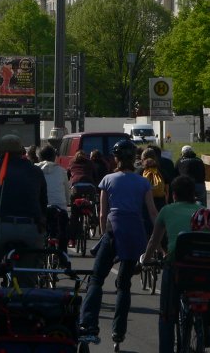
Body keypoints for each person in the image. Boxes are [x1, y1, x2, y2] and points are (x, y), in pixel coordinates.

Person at [79, 140, 158, 346]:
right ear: (134, 159)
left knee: (96, 279)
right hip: (135, 232)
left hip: (114, 229)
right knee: (124, 284)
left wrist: (104, 235)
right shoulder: (143, 182)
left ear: (116, 158)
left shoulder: (108, 179)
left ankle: (88, 324)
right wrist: (157, 239)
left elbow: (103, 213)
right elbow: (151, 212)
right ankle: (118, 332)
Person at [143, 176, 210, 352]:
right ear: (194, 194)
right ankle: (208, 325)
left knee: (166, 315)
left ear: (174, 195)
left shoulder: (166, 210)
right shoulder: (203, 210)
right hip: (205, 267)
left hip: (178, 267)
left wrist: (146, 260)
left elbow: (154, 241)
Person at [0, 134, 47, 291]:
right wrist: (42, 232)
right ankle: (24, 301)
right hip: (29, 229)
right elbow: (42, 206)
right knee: (28, 274)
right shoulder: (35, 172)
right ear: (21, 152)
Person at [36, 144, 70, 254]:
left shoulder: (35, 170)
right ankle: (63, 255)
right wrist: (67, 203)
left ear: (39, 156)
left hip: (41, 208)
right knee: (63, 230)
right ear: (54, 156)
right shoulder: (61, 171)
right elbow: (66, 190)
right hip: (59, 207)